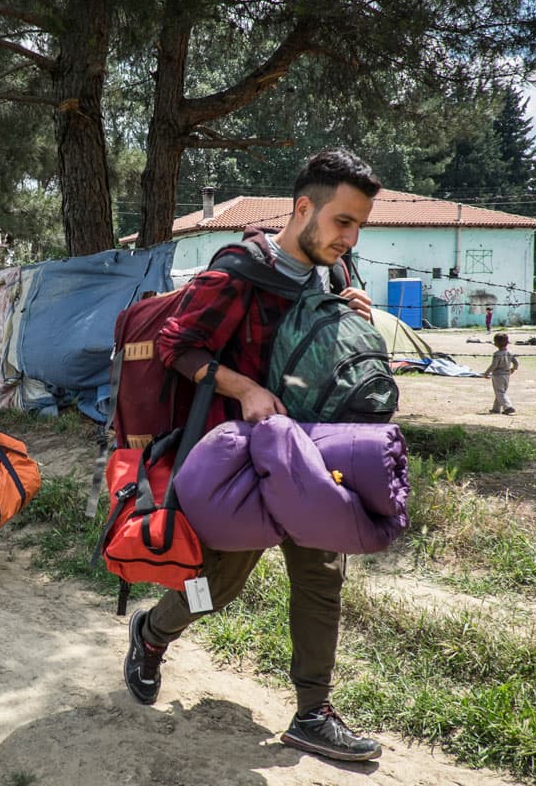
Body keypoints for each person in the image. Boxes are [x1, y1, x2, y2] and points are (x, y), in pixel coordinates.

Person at [123, 148, 383, 762]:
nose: (349, 238)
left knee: (320, 578)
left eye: (358, 226)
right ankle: (153, 633)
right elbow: (174, 345)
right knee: (218, 584)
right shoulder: (239, 273)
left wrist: (359, 323)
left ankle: (313, 711)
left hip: (314, 455)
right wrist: (243, 387)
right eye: (343, 222)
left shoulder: (339, 278)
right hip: (242, 461)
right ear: (303, 209)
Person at [482, 332, 519, 415]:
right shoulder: (510, 353)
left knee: (499, 392)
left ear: (495, 344)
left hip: (498, 375)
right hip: (507, 375)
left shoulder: (497, 354)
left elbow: (494, 365)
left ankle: (508, 407)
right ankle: (496, 409)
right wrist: (513, 369)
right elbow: (516, 362)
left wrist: (486, 373)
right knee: (500, 392)